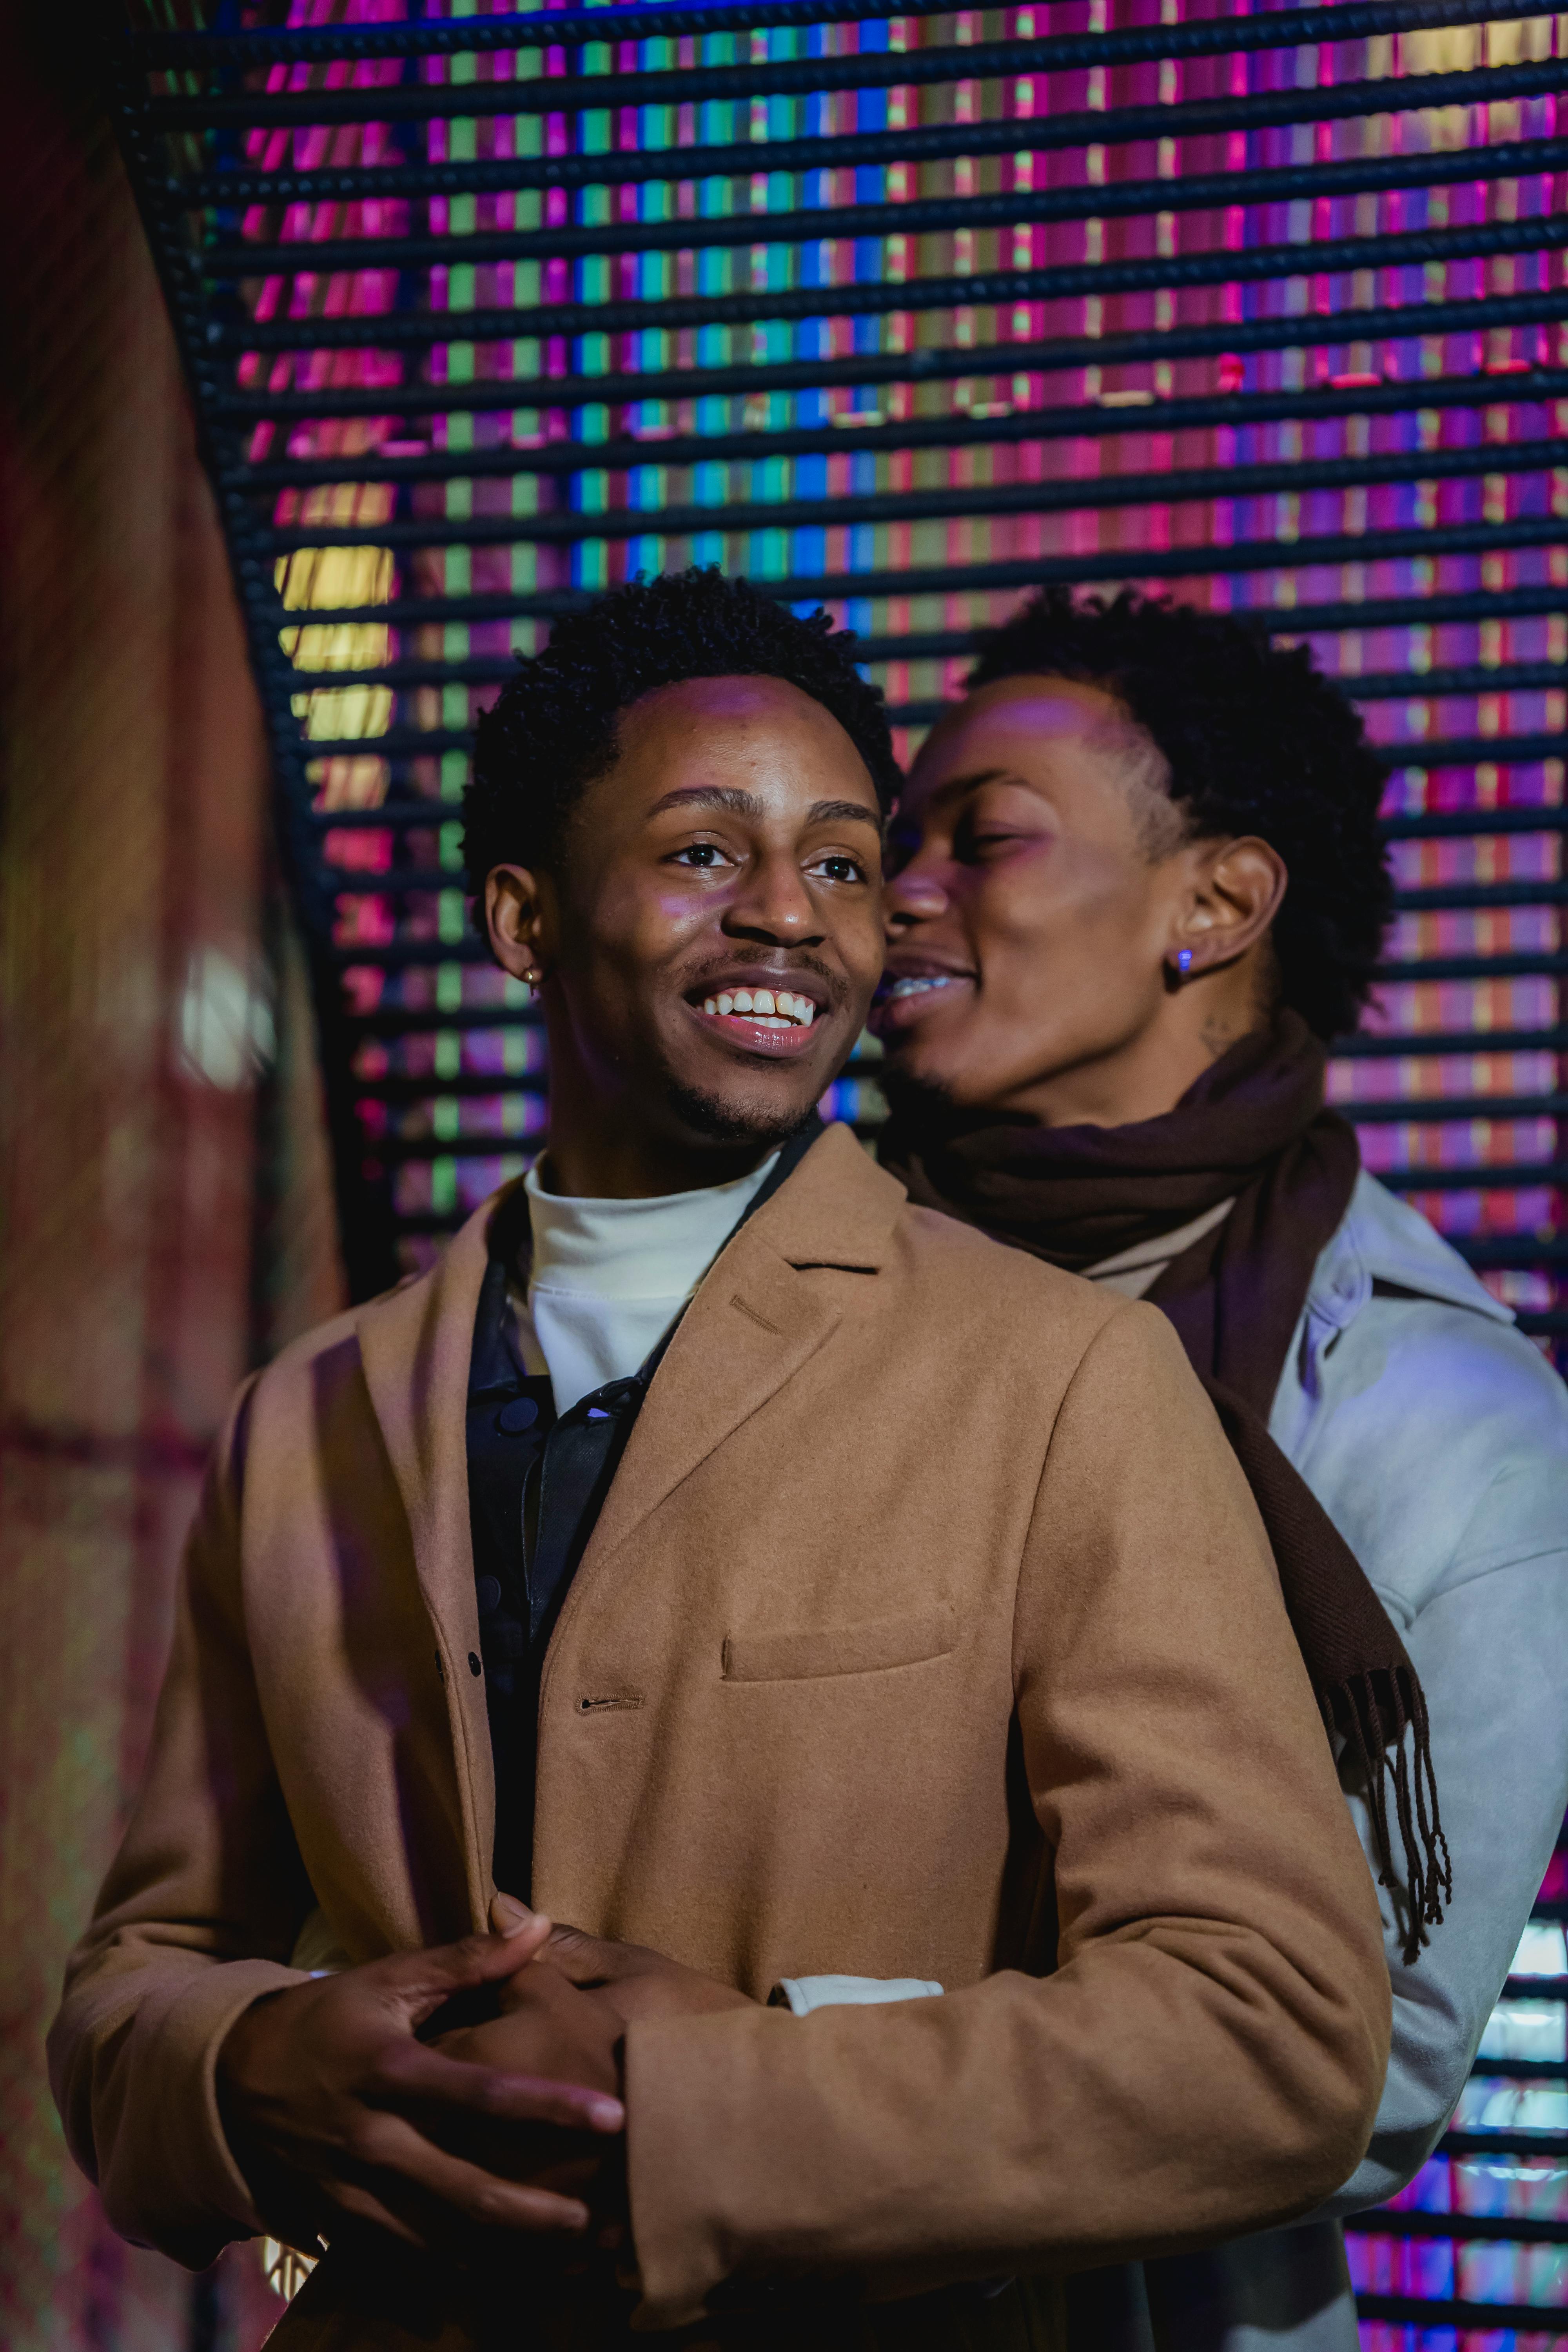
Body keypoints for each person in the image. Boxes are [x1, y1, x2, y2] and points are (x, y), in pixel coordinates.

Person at [50, 571, 1393, 2352]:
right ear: (524, 923)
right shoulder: (307, 1414)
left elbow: (1274, 2031)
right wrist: (248, 2068)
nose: (791, 916)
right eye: (705, 851)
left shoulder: (1060, 1375)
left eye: (841, 864)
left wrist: (716, 2113)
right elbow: (132, 1982)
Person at [875, 585, 1568, 2352]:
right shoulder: (761, 1285)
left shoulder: (1451, 1425)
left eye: (982, 841)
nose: (896, 896)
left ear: (1214, 904)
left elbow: (1368, 2072)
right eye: (893, 843)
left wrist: (727, 2077)